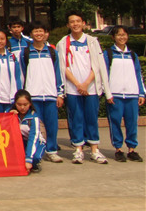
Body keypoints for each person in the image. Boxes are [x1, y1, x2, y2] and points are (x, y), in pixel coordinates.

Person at [57, 11, 112, 164]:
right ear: (68, 25)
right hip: (72, 88)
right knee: (76, 119)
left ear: (83, 23)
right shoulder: (63, 43)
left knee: (91, 118)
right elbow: (63, 67)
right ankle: (78, 150)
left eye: (78, 21)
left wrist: (86, 83)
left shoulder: (92, 41)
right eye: (72, 22)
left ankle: (94, 150)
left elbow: (98, 65)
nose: (75, 24)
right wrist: (77, 84)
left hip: (91, 88)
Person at [20, 22, 64, 163]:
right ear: (31, 34)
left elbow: (58, 73)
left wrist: (60, 94)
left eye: (41, 31)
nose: (38, 34)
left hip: (50, 95)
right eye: (35, 31)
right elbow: (22, 75)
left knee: (52, 126)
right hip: (33, 96)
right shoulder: (25, 53)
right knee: (35, 127)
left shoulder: (52, 52)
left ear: (45, 33)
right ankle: (36, 151)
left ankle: (51, 151)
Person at [105, 26, 146, 162]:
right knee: (115, 122)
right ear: (113, 37)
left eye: (124, 34)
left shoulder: (132, 55)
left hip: (132, 95)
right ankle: (118, 149)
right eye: (118, 35)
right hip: (115, 96)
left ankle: (132, 149)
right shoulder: (108, 54)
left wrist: (141, 93)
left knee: (132, 123)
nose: (121, 37)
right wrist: (108, 93)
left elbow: (138, 75)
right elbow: (104, 75)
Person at [12, 90, 46, 174]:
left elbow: (33, 138)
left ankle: (34, 163)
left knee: (34, 158)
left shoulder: (33, 118)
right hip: (20, 141)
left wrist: (28, 160)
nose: (22, 107)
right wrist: (8, 116)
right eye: (19, 104)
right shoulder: (11, 113)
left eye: (25, 104)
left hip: (36, 142)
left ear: (30, 104)